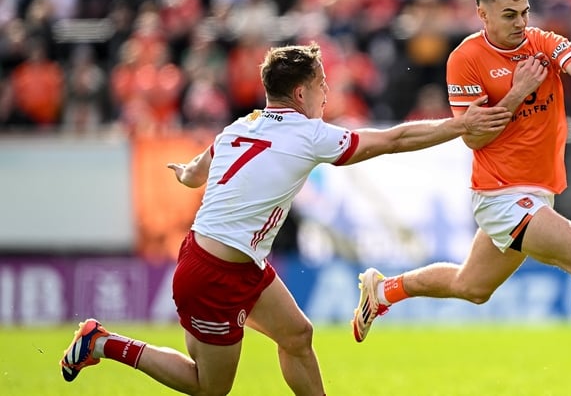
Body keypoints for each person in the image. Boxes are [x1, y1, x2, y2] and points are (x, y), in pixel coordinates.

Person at [59, 42, 511, 396]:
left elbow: (195, 173)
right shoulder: (308, 133)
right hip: (214, 274)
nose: (327, 92)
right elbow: (391, 140)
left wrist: (185, 174)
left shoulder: (240, 125)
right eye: (321, 84)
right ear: (301, 92)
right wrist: (459, 126)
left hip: (229, 260)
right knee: (209, 386)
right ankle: (101, 342)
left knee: (297, 334)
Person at [351, 0, 571, 396]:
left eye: (524, 11)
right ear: (483, 15)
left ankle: (384, 290)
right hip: (499, 195)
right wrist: (518, 92)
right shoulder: (465, 59)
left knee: (471, 286)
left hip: (537, 193)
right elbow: (474, 137)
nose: (521, 23)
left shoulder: (543, 43)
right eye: (509, 15)